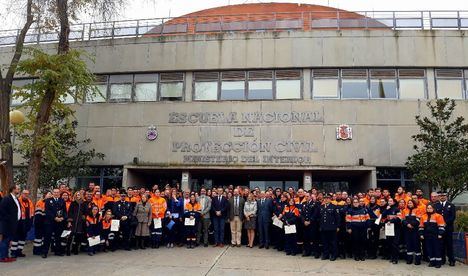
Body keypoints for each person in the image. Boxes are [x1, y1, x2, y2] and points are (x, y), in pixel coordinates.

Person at [419, 204, 446, 268]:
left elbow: (441, 226)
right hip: (427, 236)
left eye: (430, 208)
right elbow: (421, 227)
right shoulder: (423, 216)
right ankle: (432, 262)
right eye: (428, 208)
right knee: (429, 249)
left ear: (433, 209)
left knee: (437, 249)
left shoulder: (438, 216)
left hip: (436, 235)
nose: (429, 209)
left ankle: (438, 263)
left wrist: (440, 234)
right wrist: (421, 234)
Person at [0, 185, 21, 263]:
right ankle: (2, 257)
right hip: (7, 224)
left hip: (13, 224)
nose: (19, 190)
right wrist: (10, 220)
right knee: (5, 241)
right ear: (13, 189)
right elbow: (2, 211)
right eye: (18, 189)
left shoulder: (16, 199)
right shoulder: (6, 198)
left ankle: (6, 256)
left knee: (8, 241)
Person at [435, 191, 456, 266]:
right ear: (439, 197)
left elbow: (453, 217)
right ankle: (442, 259)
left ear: (446, 196)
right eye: (441, 196)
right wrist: (440, 224)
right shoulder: (436, 205)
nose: (442, 197)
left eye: (444, 195)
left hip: (448, 228)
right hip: (439, 229)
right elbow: (435, 216)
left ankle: (451, 260)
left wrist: (445, 223)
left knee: (449, 245)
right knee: (441, 244)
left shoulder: (451, 205)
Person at [13, 189, 34, 258]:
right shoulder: (17, 201)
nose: (26, 195)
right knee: (15, 238)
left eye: (27, 194)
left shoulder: (30, 202)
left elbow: (32, 213)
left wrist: (30, 223)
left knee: (23, 238)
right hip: (19, 223)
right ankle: (13, 252)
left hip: (26, 223)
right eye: (25, 193)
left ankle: (19, 251)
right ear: (21, 193)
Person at [319, 194, 340, 261]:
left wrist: (338, 226)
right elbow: (319, 217)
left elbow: (338, 218)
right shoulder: (321, 207)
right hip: (323, 227)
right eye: (325, 198)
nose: (326, 199)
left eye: (327, 198)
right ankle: (326, 254)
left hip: (332, 227)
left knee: (333, 242)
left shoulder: (334, 207)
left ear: (330, 199)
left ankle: (334, 255)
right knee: (325, 242)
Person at [382, 198, 403, 264]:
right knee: (390, 243)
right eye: (389, 201)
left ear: (394, 202)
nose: (389, 202)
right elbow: (383, 216)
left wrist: (391, 221)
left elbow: (399, 219)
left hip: (396, 228)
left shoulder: (397, 209)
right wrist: (386, 209)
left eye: (391, 201)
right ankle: (391, 257)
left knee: (395, 244)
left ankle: (395, 259)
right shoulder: (387, 209)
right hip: (389, 229)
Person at [401, 199, 422, 265]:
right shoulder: (404, 210)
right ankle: (409, 259)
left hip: (415, 230)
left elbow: (418, 219)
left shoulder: (417, 210)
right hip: (407, 230)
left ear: (413, 204)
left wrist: (411, 224)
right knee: (408, 244)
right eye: (409, 203)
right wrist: (407, 224)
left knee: (416, 244)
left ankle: (417, 260)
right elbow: (403, 220)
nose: (410, 204)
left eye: (411, 203)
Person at [66, 191, 86, 255]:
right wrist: (69, 221)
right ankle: (68, 250)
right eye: (77, 195)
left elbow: (86, 212)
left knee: (78, 237)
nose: (78, 196)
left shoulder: (83, 203)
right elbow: (69, 212)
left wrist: (84, 217)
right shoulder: (73, 203)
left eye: (79, 195)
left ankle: (75, 250)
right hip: (73, 222)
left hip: (80, 222)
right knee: (70, 237)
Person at [302, 193, 320, 258]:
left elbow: (315, 214)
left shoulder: (315, 204)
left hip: (312, 224)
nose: (306, 197)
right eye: (305, 196)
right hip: (305, 224)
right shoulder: (303, 203)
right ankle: (307, 251)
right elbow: (301, 214)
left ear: (310, 197)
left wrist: (310, 221)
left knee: (314, 239)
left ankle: (316, 252)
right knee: (306, 238)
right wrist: (304, 221)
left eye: (307, 196)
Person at [33, 191, 51, 256]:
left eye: (50, 194)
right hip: (39, 222)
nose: (50, 195)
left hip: (45, 223)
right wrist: (38, 223)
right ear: (45, 195)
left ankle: (41, 249)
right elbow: (38, 214)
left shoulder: (49, 203)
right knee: (38, 238)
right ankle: (36, 250)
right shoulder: (40, 202)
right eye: (49, 194)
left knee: (43, 238)